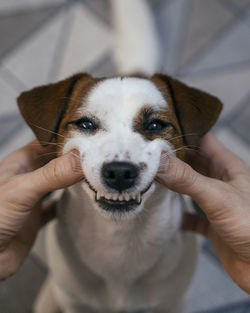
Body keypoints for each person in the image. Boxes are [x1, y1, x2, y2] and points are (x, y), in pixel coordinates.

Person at [0, 135, 249, 295]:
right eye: (87, 125)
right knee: (69, 299)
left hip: (174, 248)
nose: (119, 164)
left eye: (154, 126)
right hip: (71, 258)